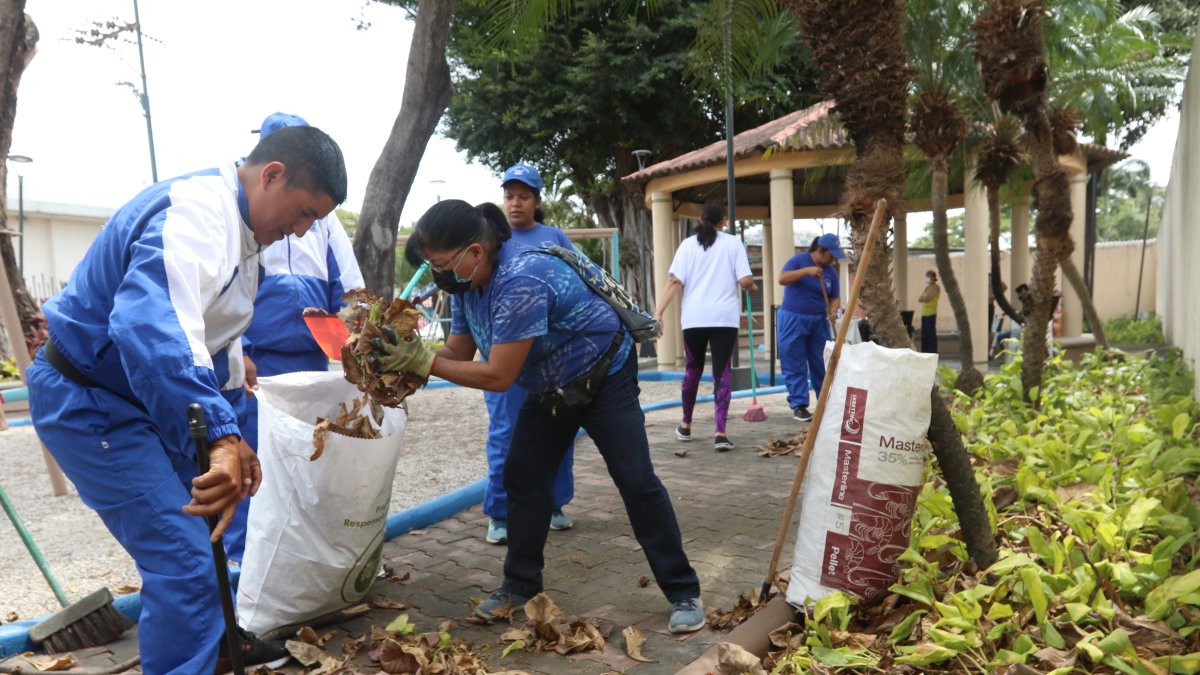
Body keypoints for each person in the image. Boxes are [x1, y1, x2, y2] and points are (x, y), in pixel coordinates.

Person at [27, 126, 348, 674]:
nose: (299, 232)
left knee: (210, 528)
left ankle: (217, 645)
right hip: (90, 401)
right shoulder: (197, 212)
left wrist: (234, 436)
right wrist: (219, 436)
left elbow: (214, 343)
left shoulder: (246, 236)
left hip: (145, 400)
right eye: (302, 213)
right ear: (272, 176)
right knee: (183, 558)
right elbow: (149, 326)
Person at [375, 199, 706, 633]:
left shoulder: (522, 279)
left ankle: (683, 591)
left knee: (636, 480)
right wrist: (406, 354)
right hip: (552, 384)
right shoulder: (465, 284)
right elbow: (458, 351)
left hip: (603, 374)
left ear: (475, 252)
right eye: (432, 266)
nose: (437, 275)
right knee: (523, 476)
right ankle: (520, 586)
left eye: (441, 264)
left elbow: (499, 375)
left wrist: (421, 361)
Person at [225, 112, 365, 563]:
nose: (301, 223)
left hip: (308, 356)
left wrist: (358, 336)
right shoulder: (241, 215)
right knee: (251, 455)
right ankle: (243, 557)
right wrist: (239, 349)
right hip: (255, 360)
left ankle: (299, 553)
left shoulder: (321, 220)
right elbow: (223, 298)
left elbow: (347, 284)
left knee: (307, 455)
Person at [482, 163, 577, 545]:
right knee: (505, 433)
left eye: (523, 197)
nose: (515, 203)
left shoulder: (555, 237)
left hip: (553, 357)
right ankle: (500, 514)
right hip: (504, 354)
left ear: (537, 201)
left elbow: (579, 280)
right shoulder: (493, 241)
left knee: (559, 428)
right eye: (509, 196)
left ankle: (554, 504)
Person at [654, 199, 757, 451]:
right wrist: (753, 288)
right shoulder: (734, 243)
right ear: (724, 221)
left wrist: (658, 313)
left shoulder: (687, 245)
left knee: (693, 370)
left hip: (694, 319)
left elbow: (674, 282)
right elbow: (745, 280)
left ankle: (686, 425)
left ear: (700, 219)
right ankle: (720, 433)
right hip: (724, 319)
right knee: (722, 373)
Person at [777, 233, 843, 422]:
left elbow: (835, 296)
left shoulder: (830, 272)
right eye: (831, 255)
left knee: (820, 361)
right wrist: (806, 271)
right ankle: (799, 405)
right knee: (794, 360)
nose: (833, 260)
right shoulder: (798, 261)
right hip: (793, 318)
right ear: (821, 251)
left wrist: (833, 311)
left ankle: (825, 404)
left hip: (818, 320)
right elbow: (782, 278)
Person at [918, 270, 941, 353]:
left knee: (931, 335)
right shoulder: (927, 288)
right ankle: (925, 352)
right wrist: (923, 298)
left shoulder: (935, 287)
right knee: (924, 335)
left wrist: (924, 298)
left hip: (931, 314)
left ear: (932, 277)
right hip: (924, 314)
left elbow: (927, 298)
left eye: (928, 276)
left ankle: (932, 352)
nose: (926, 278)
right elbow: (920, 298)